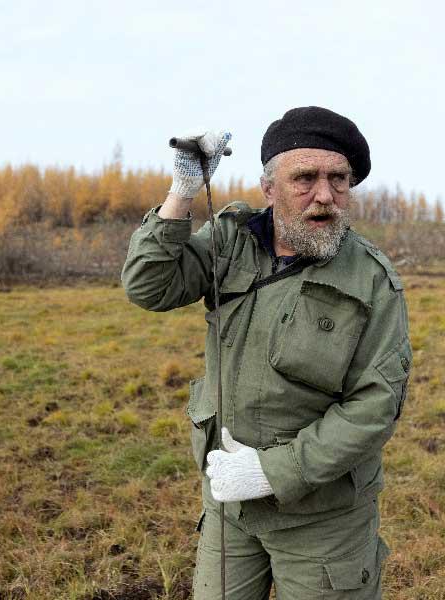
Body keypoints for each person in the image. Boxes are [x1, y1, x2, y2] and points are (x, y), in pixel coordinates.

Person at [122, 107, 411, 599]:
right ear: (269, 189)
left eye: (339, 179)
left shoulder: (371, 281)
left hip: (323, 522)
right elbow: (149, 285)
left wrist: (271, 472)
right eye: (305, 178)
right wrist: (184, 190)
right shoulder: (232, 241)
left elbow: (375, 407)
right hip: (229, 506)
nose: (325, 195)